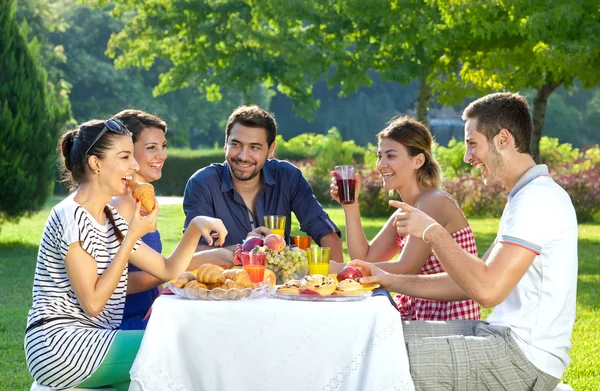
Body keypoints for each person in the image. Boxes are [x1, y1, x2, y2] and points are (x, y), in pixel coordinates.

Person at [353, 92, 577, 391]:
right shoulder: (524, 197)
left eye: (472, 143)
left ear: (503, 139)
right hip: (500, 336)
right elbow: (471, 281)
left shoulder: (537, 199)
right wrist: (388, 279)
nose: (466, 156)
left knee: (375, 363)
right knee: (371, 339)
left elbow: (487, 291)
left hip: (523, 360)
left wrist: (432, 231)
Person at [24, 119, 228, 391]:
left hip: (96, 340)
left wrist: (194, 228)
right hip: (60, 346)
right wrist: (132, 236)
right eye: (124, 157)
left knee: (165, 382)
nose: (134, 166)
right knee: (178, 351)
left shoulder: (110, 218)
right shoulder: (70, 215)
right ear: (96, 164)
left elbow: (166, 270)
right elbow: (93, 304)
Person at [330, 116, 480, 320]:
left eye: (391, 156)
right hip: (421, 315)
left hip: (448, 319)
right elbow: (366, 257)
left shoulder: (433, 201)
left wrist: (339, 269)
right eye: (379, 155)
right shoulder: (405, 212)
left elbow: (407, 268)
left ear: (418, 160)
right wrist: (350, 206)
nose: (381, 164)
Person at [109, 110, 233, 330]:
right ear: (126, 152)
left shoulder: (141, 199)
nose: (161, 155)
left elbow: (150, 268)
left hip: (151, 312)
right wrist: (198, 260)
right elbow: (119, 284)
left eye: (163, 146)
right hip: (126, 322)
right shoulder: (121, 204)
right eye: (151, 148)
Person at [183, 105, 344, 261]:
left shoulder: (288, 177)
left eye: (254, 147)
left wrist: (336, 281)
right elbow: (191, 253)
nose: (243, 156)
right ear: (226, 145)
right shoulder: (202, 183)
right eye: (236, 144)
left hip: (279, 285)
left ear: (271, 149)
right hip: (225, 285)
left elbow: (326, 232)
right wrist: (246, 249)